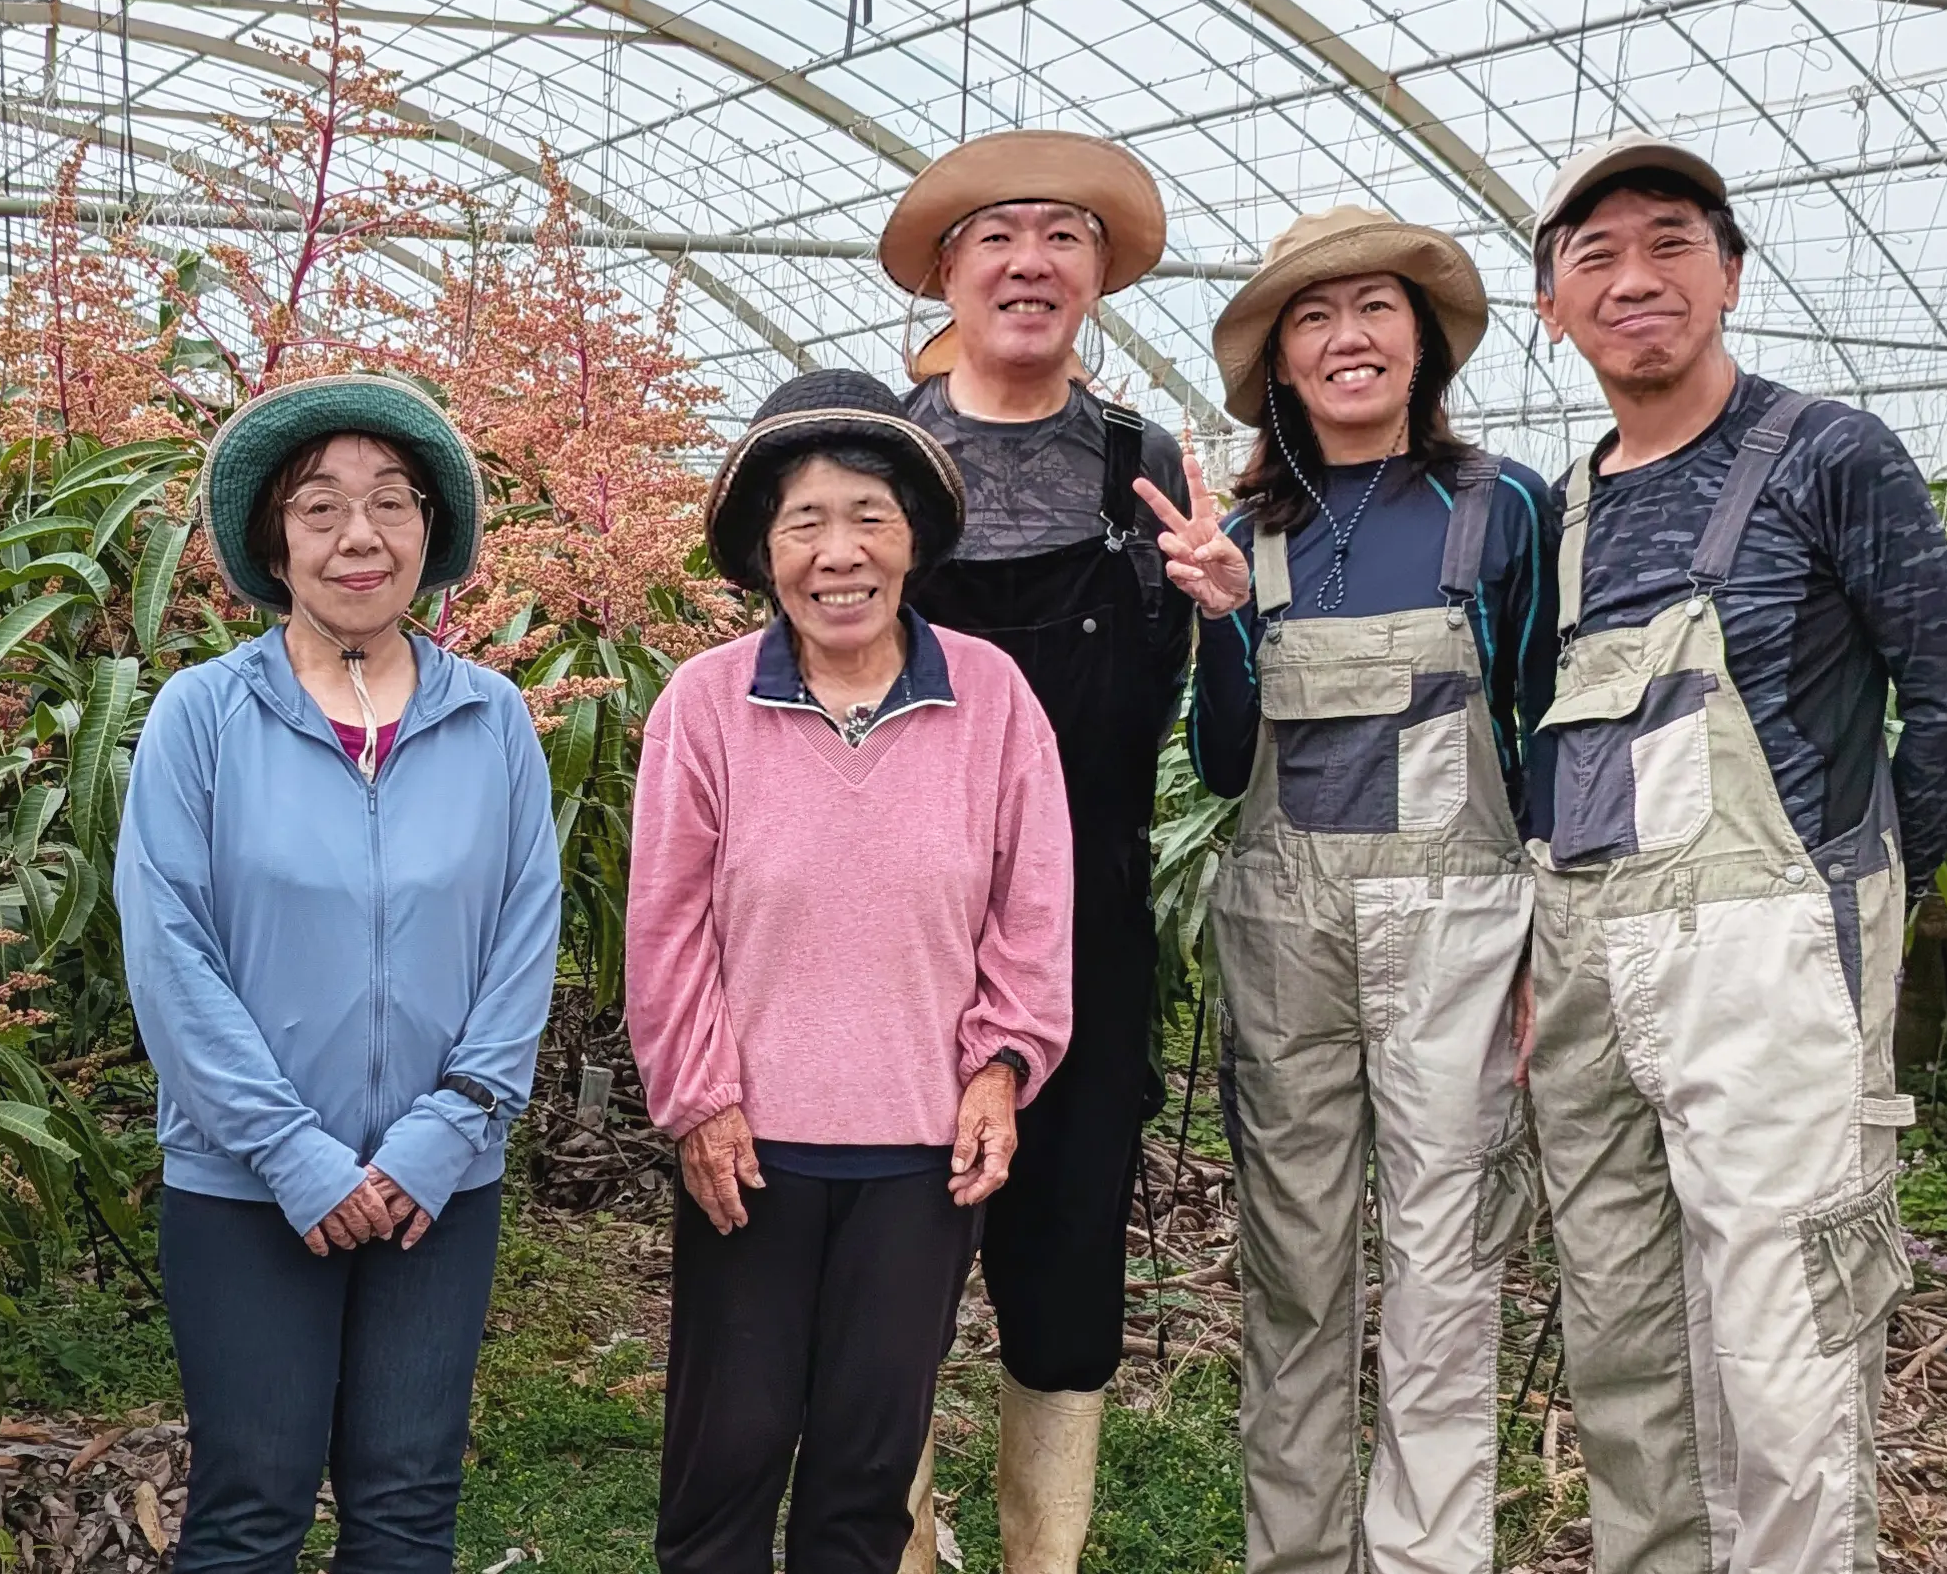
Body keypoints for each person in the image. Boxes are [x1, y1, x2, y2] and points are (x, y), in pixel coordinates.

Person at [1525, 134, 1947, 1574]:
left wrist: (1848, 891)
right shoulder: (1569, 504)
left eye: (1669, 241)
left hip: (1769, 945)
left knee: (1783, 1331)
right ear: (1554, 308)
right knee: (1621, 1326)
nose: (1634, 277)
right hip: (1594, 949)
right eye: (1593, 256)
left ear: (1730, 273)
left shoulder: (1825, 452)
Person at [626, 368, 1076, 1574]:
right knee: (731, 1446)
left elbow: (1031, 910)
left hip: (920, 1149)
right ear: (765, 551)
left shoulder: (990, 696)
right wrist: (699, 1098)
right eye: (805, 521)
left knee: (869, 1469)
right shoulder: (706, 704)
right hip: (752, 1147)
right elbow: (665, 930)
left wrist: (1000, 1067)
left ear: (914, 539)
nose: (840, 552)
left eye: (869, 516)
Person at [114, 373, 562, 1574]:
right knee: (249, 1504)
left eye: (389, 503)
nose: (358, 535)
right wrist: (294, 1153)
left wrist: (443, 1135)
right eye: (319, 508)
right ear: (274, 539)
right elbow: (169, 952)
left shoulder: (495, 722)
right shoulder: (202, 716)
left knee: (409, 1503)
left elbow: (524, 940)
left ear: (429, 531)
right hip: (245, 1184)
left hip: (439, 1184)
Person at [1179, 207, 1557, 1574]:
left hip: (1457, 933)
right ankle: (1294, 1555)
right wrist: (1221, 618)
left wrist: (1543, 952)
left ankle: (1426, 1557)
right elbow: (1226, 766)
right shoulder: (1239, 533)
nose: (1346, 337)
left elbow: (1542, 731)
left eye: (1374, 310)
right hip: (1284, 940)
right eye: (1313, 317)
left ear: (1422, 342)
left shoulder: (1500, 505)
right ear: (1279, 360)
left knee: (1447, 1263)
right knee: (1294, 1269)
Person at [880, 130, 1227, 1573]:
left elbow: (1228, 749)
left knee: (1068, 1246)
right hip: (888, 922)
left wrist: (1228, 618)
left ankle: (1042, 1551)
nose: (1029, 261)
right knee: (883, 1246)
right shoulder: (877, 451)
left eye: (1063, 236)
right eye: (996, 237)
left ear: (1094, 276)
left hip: (1083, 917)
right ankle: (890, 1533)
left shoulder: (1148, 467)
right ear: (950, 273)